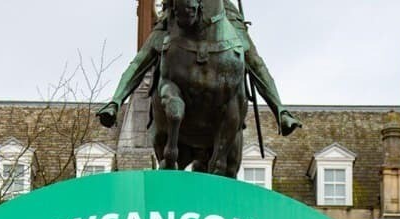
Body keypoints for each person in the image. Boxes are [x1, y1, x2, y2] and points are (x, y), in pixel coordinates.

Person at [97, 0, 301, 137]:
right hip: (178, 13)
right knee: (145, 55)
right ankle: (114, 103)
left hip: (220, 12)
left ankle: (281, 111)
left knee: (253, 59)